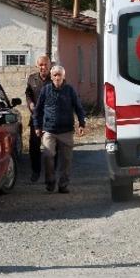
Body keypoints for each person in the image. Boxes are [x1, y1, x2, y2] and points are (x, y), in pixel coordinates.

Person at [33, 65, 87, 193]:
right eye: (55, 75)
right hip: (49, 130)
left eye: (59, 75)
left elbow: (79, 108)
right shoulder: (45, 90)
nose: (57, 77)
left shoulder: (70, 90)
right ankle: (50, 181)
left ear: (64, 76)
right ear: (51, 77)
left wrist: (82, 124)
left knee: (66, 159)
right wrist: (37, 126)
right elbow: (37, 110)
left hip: (66, 130)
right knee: (48, 155)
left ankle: (63, 184)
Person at [24, 54, 51, 183]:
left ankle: (51, 174)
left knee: (51, 148)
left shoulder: (56, 78)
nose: (43, 67)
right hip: (36, 119)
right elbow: (28, 93)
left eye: (45, 64)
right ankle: (35, 171)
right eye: (41, 64)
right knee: (34, 147)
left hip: (51, 120)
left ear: (50, 65)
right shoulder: (32, 79)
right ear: (37, 66)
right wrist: (30, 103)